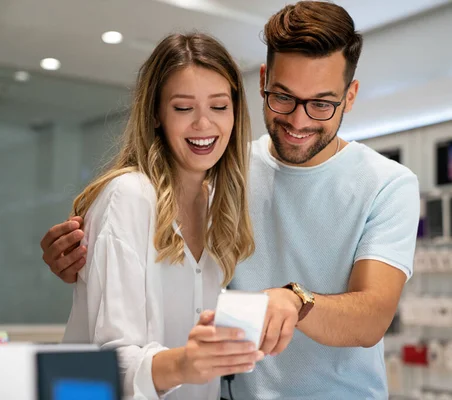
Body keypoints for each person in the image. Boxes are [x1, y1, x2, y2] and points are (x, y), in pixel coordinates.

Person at [40, 1, 420, 399]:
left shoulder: (387, 184)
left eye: (322, 103)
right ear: (262, 82)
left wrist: (296, 300)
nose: (299, 120)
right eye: (284, 97)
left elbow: (372, 316)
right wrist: (88, 258)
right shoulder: (226, 174)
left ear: (351, 95)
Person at [54, 32, 266, 399]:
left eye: (219, 107)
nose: (204, 124)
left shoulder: (221, 206)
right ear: (155, 113)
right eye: (183, 108)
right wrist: (185, 364)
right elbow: (109, 359)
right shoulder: (128, 196)